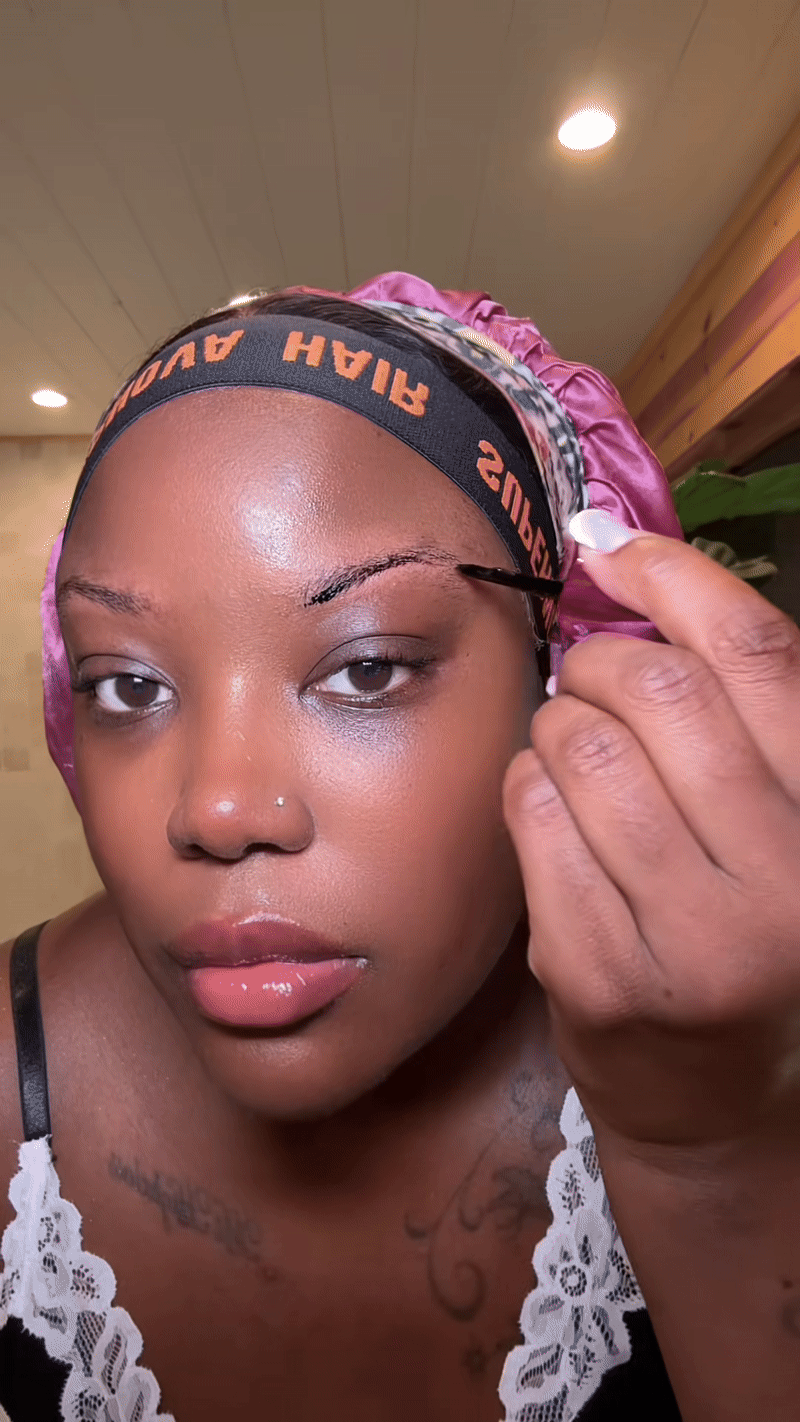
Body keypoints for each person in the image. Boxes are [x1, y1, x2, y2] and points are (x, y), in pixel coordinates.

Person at [0, 271, 730, 1421]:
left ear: (559, 671)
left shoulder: (737, 1073)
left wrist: (715, 1163)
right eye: (128, 684)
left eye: (369, 666)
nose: (220, 809)